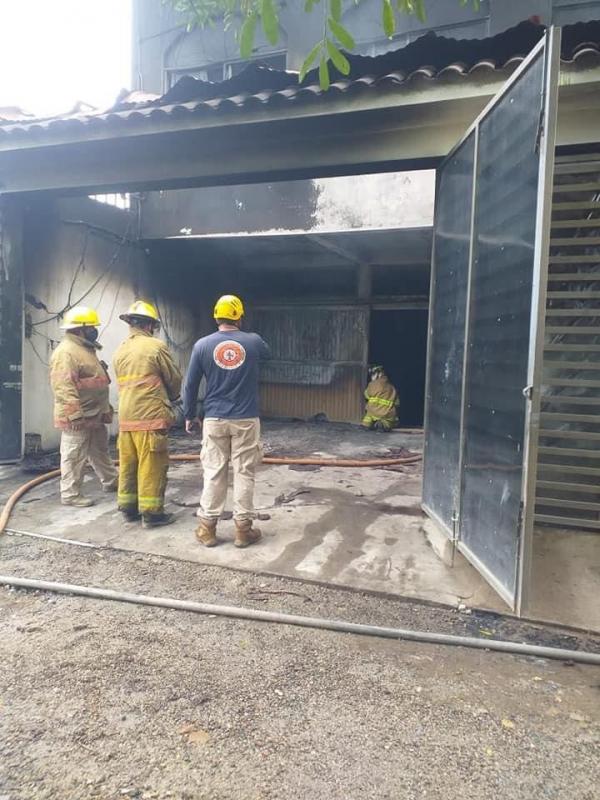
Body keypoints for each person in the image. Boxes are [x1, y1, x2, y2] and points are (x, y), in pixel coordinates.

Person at [182, 294, 270, 548]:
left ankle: (207, 529)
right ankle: (243, 530)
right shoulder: (253, 341)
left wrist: (189, 414)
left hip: (214, 418)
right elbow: (268, 354)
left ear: (216, 317)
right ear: (239, 317)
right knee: (244, 472)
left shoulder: (202, 345)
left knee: (214, 472)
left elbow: (190, 384)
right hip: (246, 418)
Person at [113, 300, 182, 528]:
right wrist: (174, 398)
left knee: (128, 464)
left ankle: (128, 508)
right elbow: (173, 379)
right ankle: (152, 514)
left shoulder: (120, 349)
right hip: (150, 416)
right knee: (151, 465)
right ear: (149, 325)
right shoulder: (155, 346)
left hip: (126, 417)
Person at [50, 305, 118, 507]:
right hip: (79, 417)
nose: (94, 330)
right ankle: (70, 494)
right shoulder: (66, 352)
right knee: (74, 455)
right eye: (91, 327)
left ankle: (111, 481)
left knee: (99, 451)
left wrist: (105, 409)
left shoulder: (85, 349)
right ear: (80, 328)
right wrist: (75, 415)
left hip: (93, 413)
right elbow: (63, 386)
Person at [361, 365, 399, 432]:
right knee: (390, 421)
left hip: (373, 411)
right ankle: (382, 424)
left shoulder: (372, 384)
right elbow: (397, 403)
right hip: (386, 413)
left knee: (368, 417)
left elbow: (366, 395)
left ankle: (366, 425)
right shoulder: (392, 388)